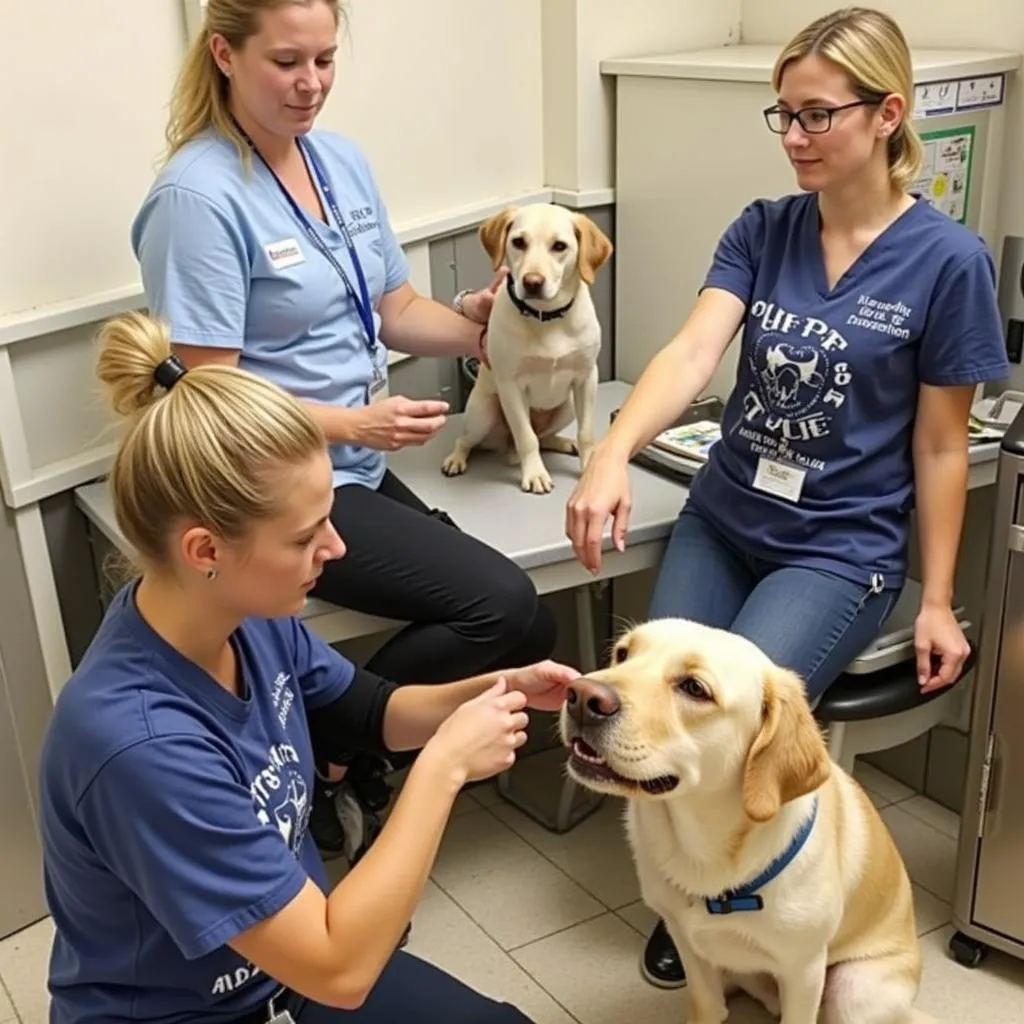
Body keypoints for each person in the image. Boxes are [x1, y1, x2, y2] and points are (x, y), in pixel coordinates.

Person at [565, 5, 1009, 991]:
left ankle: (735, 914)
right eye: (784, 116)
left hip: (838, 548)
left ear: (887, 113)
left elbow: (940, 446)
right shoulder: (763, 229)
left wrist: (934, 597)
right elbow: (690, 352)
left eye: (818, 116)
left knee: (732, 728)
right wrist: (611, 451)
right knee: (647, 704)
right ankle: (684, 902)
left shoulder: (948, 263)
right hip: (727, 516)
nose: (796, 138)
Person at [40, 309, 577, 1023]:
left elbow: (368, 712)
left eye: (330, 516)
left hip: (283, 974)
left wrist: (493, 691)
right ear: (206, 551)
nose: (336, 549)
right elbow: (341, 971)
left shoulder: (244, 619)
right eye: (304, 536)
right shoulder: (138, 744)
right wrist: (445, 765)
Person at [129, 0, 557, 857]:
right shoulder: (198, 196)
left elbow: (394, 309)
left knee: (524, 619)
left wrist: (490, 326)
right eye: (287, 61)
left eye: (325, 60)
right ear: (223, 52)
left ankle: (342, 752)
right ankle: (331, 748)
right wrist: (347, 419)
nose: (312, 83)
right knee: (503, 606)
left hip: (352, 463)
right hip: (270, 482)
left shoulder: (338, 163)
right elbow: (205, 392)